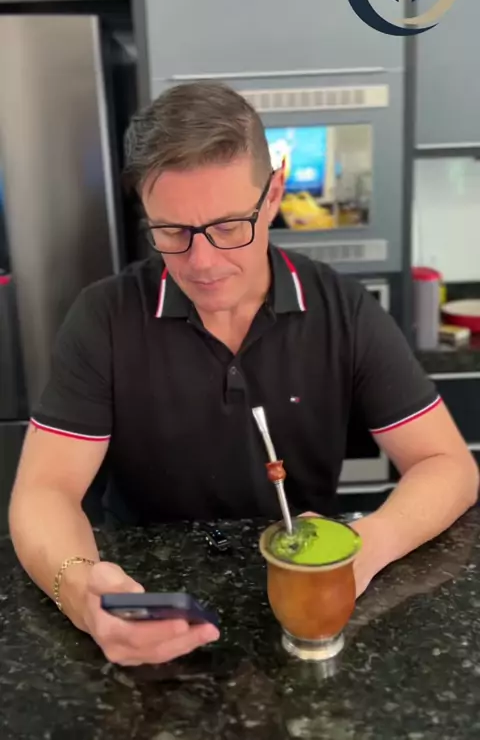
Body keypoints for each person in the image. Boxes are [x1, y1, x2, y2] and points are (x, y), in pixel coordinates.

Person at [9, 82, 479, 667]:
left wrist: (364, 548)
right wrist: (81, 591)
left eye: (231, 225)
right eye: (172, 232)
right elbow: (44, 491)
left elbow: (448, 465)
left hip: (299, 603)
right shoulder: (104, 317)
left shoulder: (344, 310)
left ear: (273, 193)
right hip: (147, 599)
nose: (203, 263)